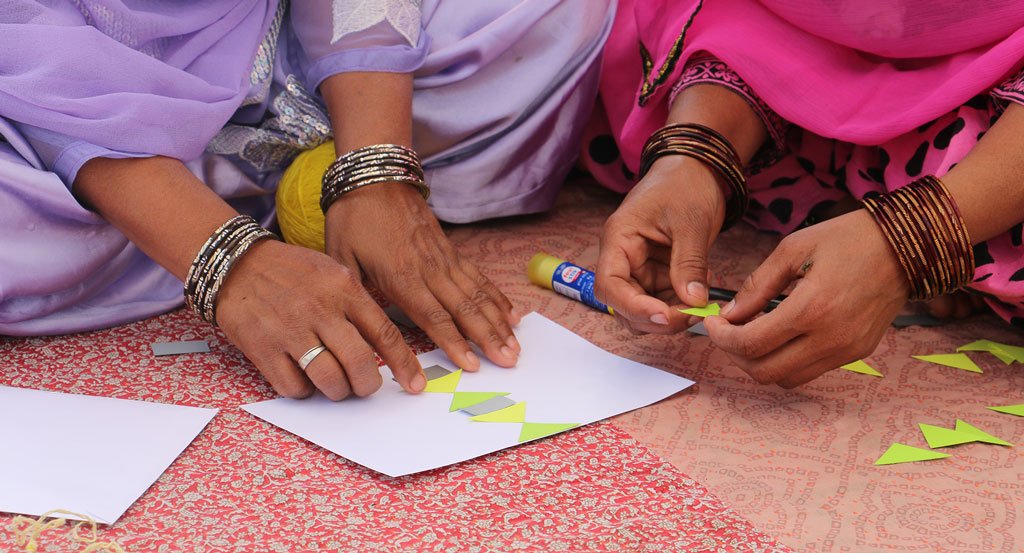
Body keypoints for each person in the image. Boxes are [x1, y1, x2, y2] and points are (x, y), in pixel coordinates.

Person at [0, 0, 613, 399]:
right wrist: (227, 260)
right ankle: (220, 198)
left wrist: (377, 168)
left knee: (559, 14)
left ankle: (307, 169)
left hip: (275, 38)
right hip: (45, 89)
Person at [584, 0, 1024, 387]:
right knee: (592, 63)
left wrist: (914, 238)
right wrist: (694, 156)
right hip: (793, 45)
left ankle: (916, 212)